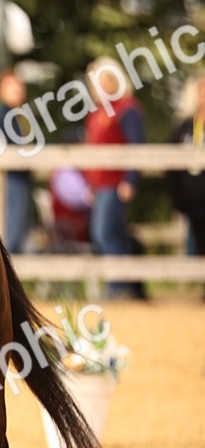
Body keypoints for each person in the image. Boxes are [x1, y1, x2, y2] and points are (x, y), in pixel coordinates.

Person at [83, 57, 146, 299]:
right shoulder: (97, 112)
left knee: (104, 232)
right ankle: (125, 286)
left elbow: (135, 147)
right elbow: (91, 149)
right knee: (112, 233)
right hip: (100, 185)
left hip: (115, 183)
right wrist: (90, 183)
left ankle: (119, 285)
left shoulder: (128, 109)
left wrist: (130, 179)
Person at [0, 69, 34, 253]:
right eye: (11, 86)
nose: (18, 90)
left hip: (19, 178)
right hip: (9, 180)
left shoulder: (18, 115)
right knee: (10, 233)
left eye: (19, 86)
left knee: (18, 231)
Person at [167, 73, 205, 291]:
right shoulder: (184, 127)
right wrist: (179, 198)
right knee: (199, 246)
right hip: (194, 202)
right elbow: (169, 163)